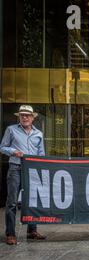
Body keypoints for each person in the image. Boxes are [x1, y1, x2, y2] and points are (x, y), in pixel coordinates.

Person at [0, 105, 47, 245]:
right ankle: (10, 234)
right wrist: (13, 151)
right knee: (12, 202)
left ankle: (32, 230)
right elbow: (2, 147)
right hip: (16, 168)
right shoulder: (11, 130)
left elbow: (41, 154)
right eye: (22, 115)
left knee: (32, 200)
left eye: (28, 115)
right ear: (19, 117)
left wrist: (41, 168)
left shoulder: (38, 133)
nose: (25, 117)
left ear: (33, 118)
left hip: (32, 170)